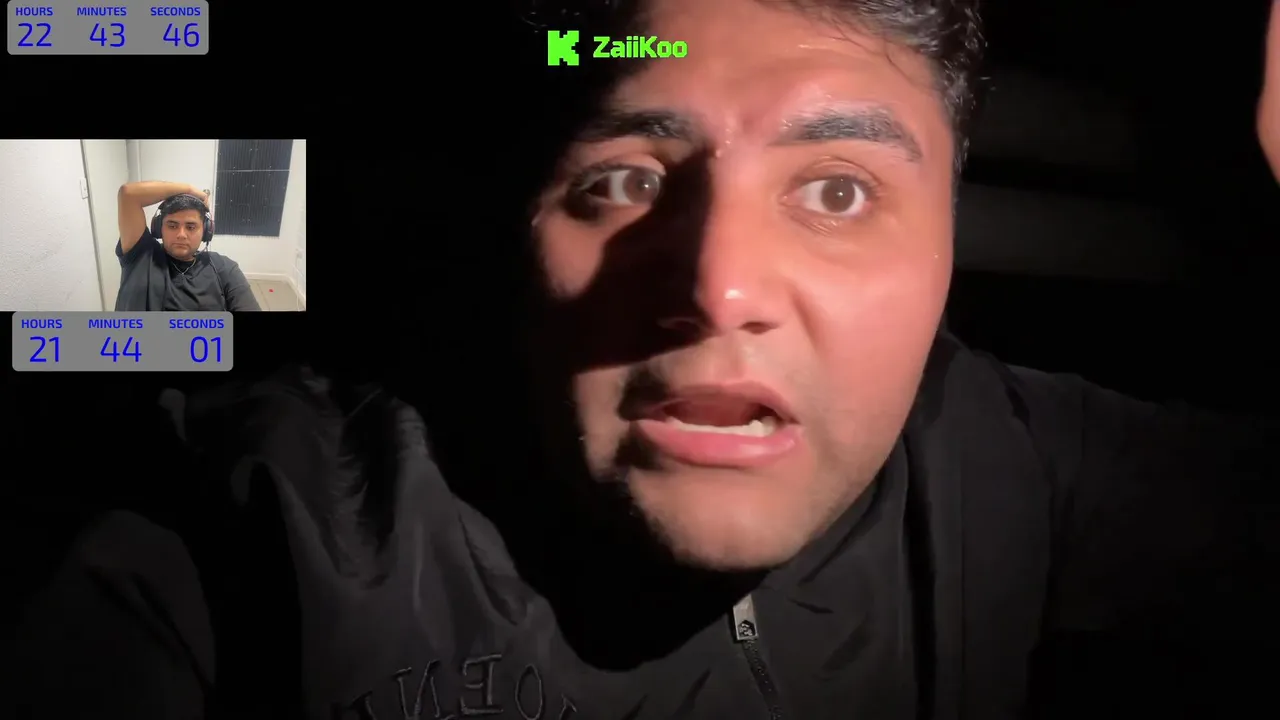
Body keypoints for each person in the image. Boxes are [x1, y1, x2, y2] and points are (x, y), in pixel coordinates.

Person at [8, 1, 1277, 718]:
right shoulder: (246, 547)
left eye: (836, 191)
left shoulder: (1006, 463)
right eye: (621, 182)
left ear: (949, 232)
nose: (717, 287)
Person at [114, 181, 260, 311]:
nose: (181, 234)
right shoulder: (142, 255)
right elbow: (128, 194)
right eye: (172, 226)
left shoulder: (223, 268)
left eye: (191, 227)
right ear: (159, 228)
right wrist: (189, 189)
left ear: (206, 231)